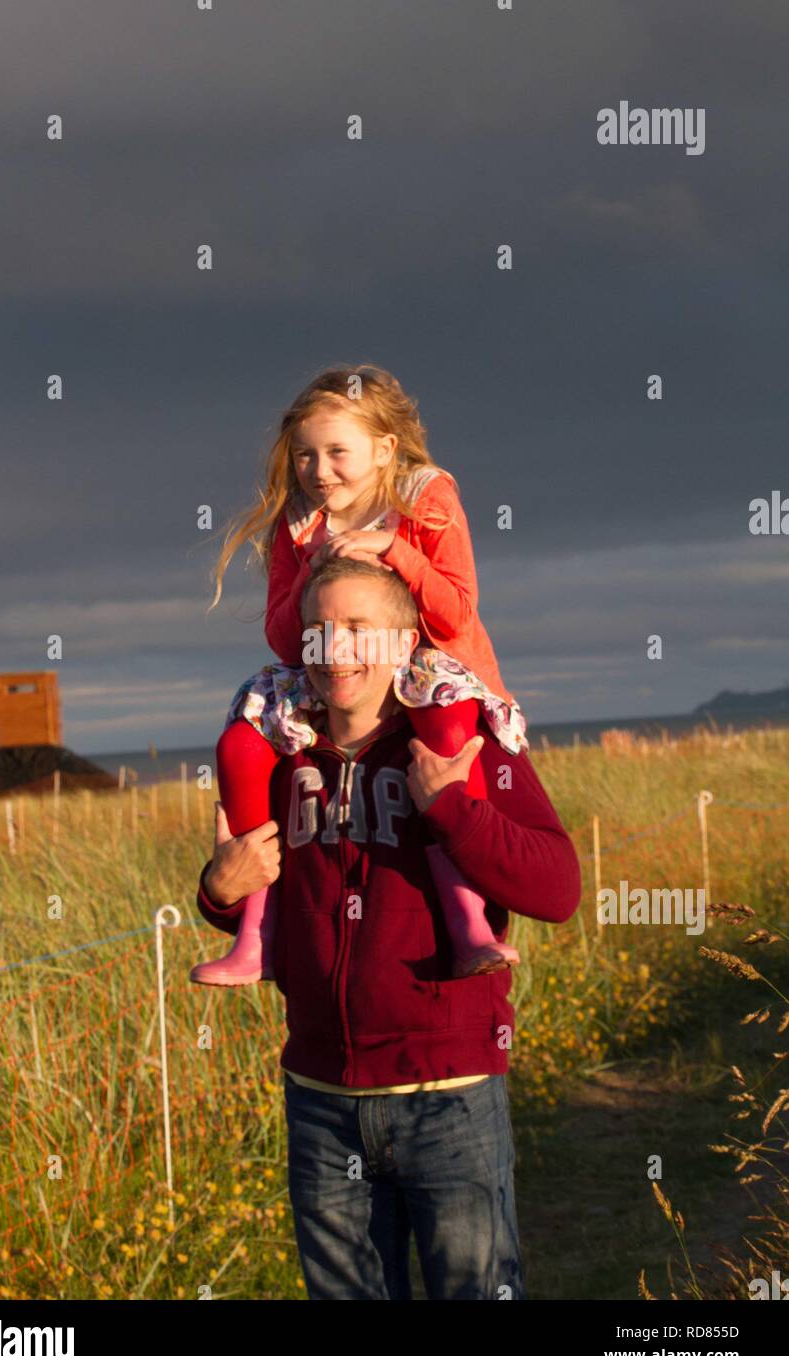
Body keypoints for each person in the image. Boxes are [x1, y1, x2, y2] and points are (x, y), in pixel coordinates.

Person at [193, 558, 581, 1300]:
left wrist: (454, 809)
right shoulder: (279, 754)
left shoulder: (464, 750)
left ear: (405, 644)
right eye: (317, 632)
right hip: (320, 1096)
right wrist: (218, 889)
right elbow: (246, 886)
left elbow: (558, 889)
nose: (335, 649)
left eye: (358, 630)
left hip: (449, 1094)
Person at [192, 362, 530, 986]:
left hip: (428, 666)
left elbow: (456, 613)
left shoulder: (425, 496)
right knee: (238, 744)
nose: (318, 471)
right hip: (331, 670)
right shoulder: (299, 520)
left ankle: (469, 923)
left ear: (384, 449)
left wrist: (393, 552)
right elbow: (284, 637)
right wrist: (308, 579)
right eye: (303, 455)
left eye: (336, 452)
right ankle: (256, 933)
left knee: (450, 733)